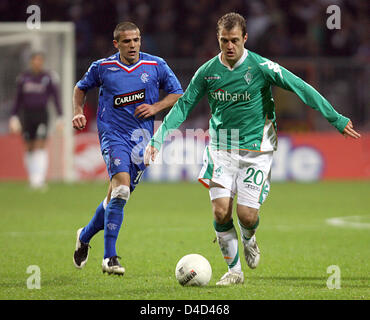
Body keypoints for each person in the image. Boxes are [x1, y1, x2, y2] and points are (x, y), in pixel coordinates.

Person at [145, 12, 361, 286]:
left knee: (247, 215)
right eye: (224, 40)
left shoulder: (261, 67)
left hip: (256, 150)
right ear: (218, 39)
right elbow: (184, 105)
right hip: (221, 148)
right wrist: (158, 137)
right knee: (221, 211)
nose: (229, 46)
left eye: (235, 40)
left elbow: (301, 87)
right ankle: (234, 271)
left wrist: (335, 118)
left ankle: (249, 237)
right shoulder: (208, 72)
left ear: (245, 38)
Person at [72, 22, 183, 276]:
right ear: (116, 44)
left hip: (141, 140)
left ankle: (85, 236)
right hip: (113, 135)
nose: (132, 45)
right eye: (126, 41)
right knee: (121, 189)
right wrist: (78, 112)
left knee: (117, 196)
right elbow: (80, 88)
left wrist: (156, 108)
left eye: (136, 40)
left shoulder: (156, 65)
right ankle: (109, 258)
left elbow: (177, 93)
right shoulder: (103, 67)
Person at [9, 52, 63, 189]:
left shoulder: (48, 77)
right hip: (26, 115)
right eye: (35, 60)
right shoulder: (23, 78)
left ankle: (39, 178)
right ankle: (32, 177)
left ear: (42, 62)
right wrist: (14, 116)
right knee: (28, 146)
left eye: (39, 60)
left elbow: (55, 98)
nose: (37, 63)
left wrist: (60, 116)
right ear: (31, 62)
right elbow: (18, 99)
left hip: (41, 114)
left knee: (40, 144)